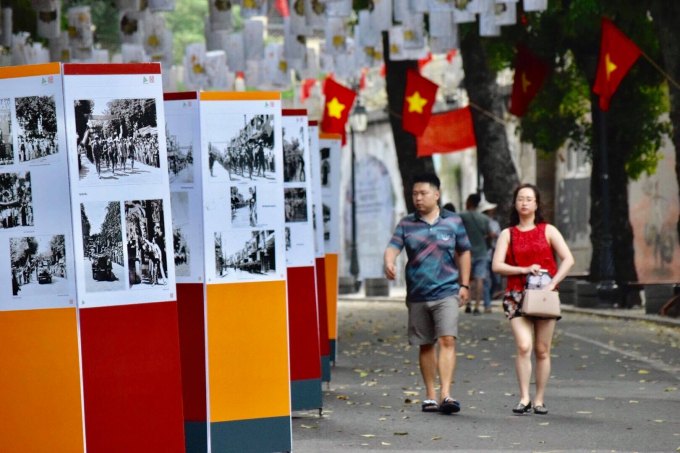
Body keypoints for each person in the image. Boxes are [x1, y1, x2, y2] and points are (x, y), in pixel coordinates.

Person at [384, 173, 472, 415]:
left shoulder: (453, 222)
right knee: (425, 344)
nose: (418, 198)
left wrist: (464, 284)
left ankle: (446, 394)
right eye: (415, 194)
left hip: (447, 290)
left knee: (447, 339)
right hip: (418, 293)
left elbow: (464, 252)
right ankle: (430, 395)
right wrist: (389, 263)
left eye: (423, 193)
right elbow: (393, 247)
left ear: (437, 194)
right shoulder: (406, 224)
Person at [492, 184, 574, 415]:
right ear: (515, 203)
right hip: (516, 296)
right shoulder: (507, 234)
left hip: (545, 297)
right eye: (520, 199)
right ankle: (524, 397)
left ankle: (539, 399)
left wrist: (552, 283)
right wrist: (524, 269)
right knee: (523, 345)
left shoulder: (548, 230)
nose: (524, 203)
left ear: (537, 204)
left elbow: (568, 259)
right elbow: (497, 265)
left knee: (541, 350)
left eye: (529, 199)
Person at [459, 194, 493, 315]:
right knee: (480, 279)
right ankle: (477, 306)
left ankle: (467, 303)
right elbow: (491, 234)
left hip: (466, 252)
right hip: (482, 252)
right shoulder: (484, 218)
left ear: (468, 202)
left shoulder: (461, 216)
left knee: (467, 278)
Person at [478, 198, 501, 313]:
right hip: (483, 254)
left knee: (496, 280)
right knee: (485, 280)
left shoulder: (495, 223)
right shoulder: (480, 222)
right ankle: (487, 303)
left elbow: (500, 238)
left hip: (494, 254)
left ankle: (490, 298)